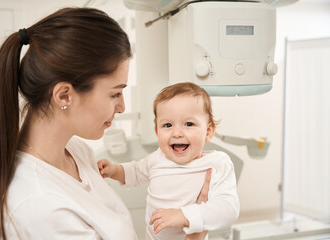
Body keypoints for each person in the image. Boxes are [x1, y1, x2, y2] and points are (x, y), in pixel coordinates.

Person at [0, 7, 212, 240]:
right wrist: (196, 233)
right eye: (114, 94)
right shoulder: (40, 207)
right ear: (64, 96)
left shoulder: (76, 152)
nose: (122, 107)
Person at [98, 82, 240, 240]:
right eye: (167, 125)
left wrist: (183, 216)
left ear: (208, 131)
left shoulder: (216, 163)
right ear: (157, 131)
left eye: (189, 124)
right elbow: (135, 172)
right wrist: (114, 170)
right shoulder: (157, 159)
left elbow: (228, 209)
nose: (177, 133)